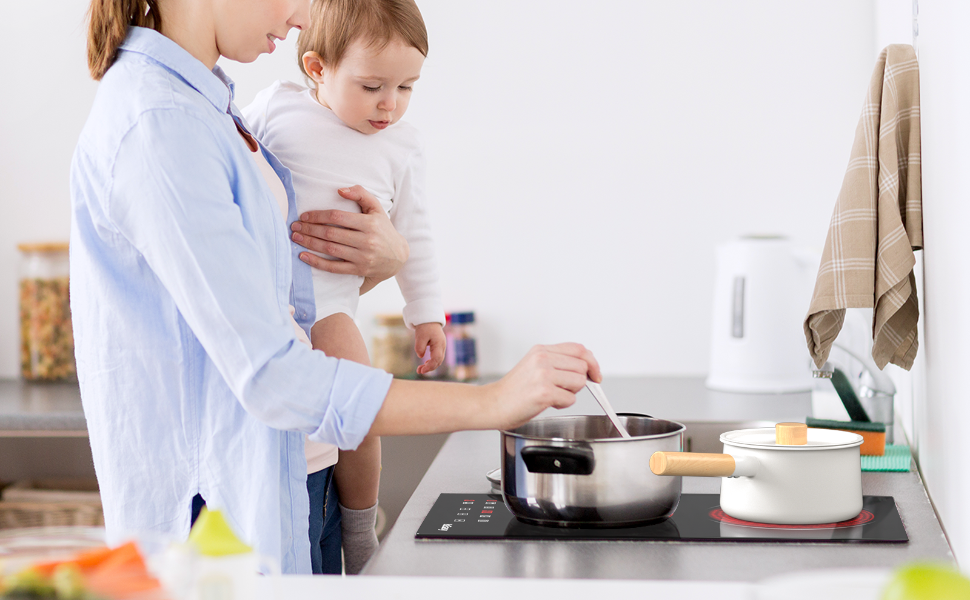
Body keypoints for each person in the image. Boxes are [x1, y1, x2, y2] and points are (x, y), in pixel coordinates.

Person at [72, 0, 601, 575]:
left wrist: (390, 256)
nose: (304, 15)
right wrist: (494, 401)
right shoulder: (160, 126)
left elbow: (281, 292)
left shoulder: (209, 112)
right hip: (219, 520)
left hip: (300, 473)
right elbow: (272, 374)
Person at [242, 0, 441, 574]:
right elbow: (238, 157)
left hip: (328, 304)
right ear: (317, 68)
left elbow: (414, 234)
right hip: (269, 302)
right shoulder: (276, 108)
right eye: (373, 85)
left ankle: (359, 525)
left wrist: (425, 313)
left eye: (407, 87)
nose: (390, 104)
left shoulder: (402, 147)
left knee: (361, 401)